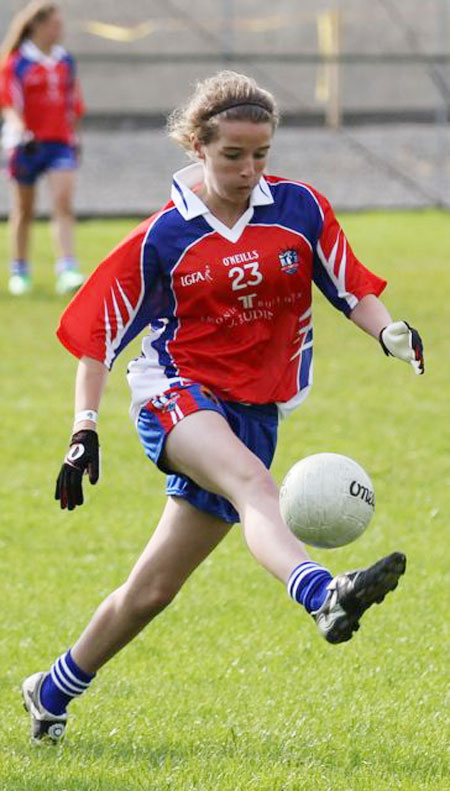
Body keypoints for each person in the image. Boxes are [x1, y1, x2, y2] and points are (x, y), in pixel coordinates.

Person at [21, 71, 424, 744]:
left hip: (255, 410)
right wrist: (83, 427)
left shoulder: (300, 211)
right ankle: (324, 593)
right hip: (174, 392)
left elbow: (349, 284)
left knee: (152, 590)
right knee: (253, 486)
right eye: (233, 154)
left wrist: (387, 330)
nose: (249, 168)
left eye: (260, 153)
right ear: (198, 146)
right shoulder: (163, 237)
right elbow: (97, 335)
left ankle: (52, 687)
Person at [0, 1, 85, 296]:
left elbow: (73, 104)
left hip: (60, 142)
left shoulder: (65, 61)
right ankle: (20, 270)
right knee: (24, 208)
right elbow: (9, 104)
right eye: (54, 23)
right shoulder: (17, 63)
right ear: (38, 25)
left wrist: (76, 138)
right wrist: (22, 131)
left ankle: (67, 268)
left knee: (63, 202)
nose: (59, 29)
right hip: (27, 145)